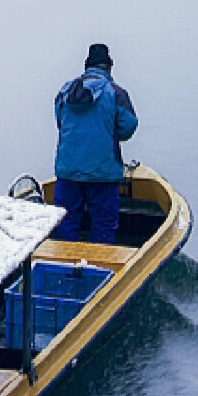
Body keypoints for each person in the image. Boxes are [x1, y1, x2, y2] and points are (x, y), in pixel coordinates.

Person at [52, 41, 138, 245]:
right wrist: (107, 132)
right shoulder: (116, 93)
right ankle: (100, 268)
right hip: (103, 172)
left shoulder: (66, 91)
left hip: (68, 171)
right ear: (109, 67)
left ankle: (63, 266)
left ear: (87, 66)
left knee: (66, 221)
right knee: (103, 224)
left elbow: (60, 122)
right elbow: (128, 127)